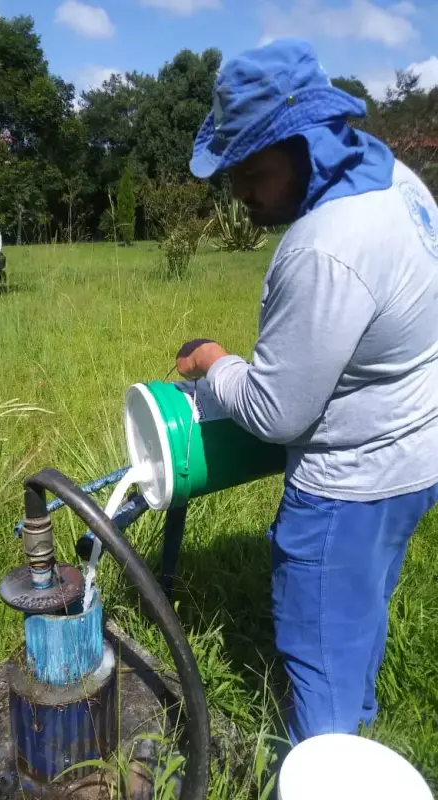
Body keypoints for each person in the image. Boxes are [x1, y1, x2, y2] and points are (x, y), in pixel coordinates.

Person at [175, 38, 438, 744]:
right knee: (359, 619)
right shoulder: (396, 181)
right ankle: (356, 731)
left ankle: (325, 765)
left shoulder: (326, 244)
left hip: (347, 489)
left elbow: (276, 412)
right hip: (413, 463)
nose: (239, 193)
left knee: (318, 656)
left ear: (303, 146)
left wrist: (213, 359)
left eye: (251, 172)